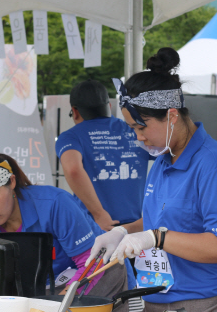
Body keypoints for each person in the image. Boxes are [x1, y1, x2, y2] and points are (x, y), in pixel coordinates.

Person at [88, 47, 217, 312]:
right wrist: (125, 232)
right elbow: (166, 219)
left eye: (141, 127)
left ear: (171, 116)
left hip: (211, 311)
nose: (139, 138)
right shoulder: (163, 160)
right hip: (161, 310)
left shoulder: (215, 166)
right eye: (132, 128)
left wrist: (156, 238)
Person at [0, 149, 136, 312]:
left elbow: (91, 262)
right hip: (49, 290)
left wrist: (58, 307)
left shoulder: (54, 204)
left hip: (100, 272)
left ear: (12, 182)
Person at [56, 80, 149, 231]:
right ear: (109, 106)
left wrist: (99, 214)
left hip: (95, 225)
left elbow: (73, 169)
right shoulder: (133, 130)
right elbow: (169, 155)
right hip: (135, 227)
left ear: (75, 111)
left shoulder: (71, 136)